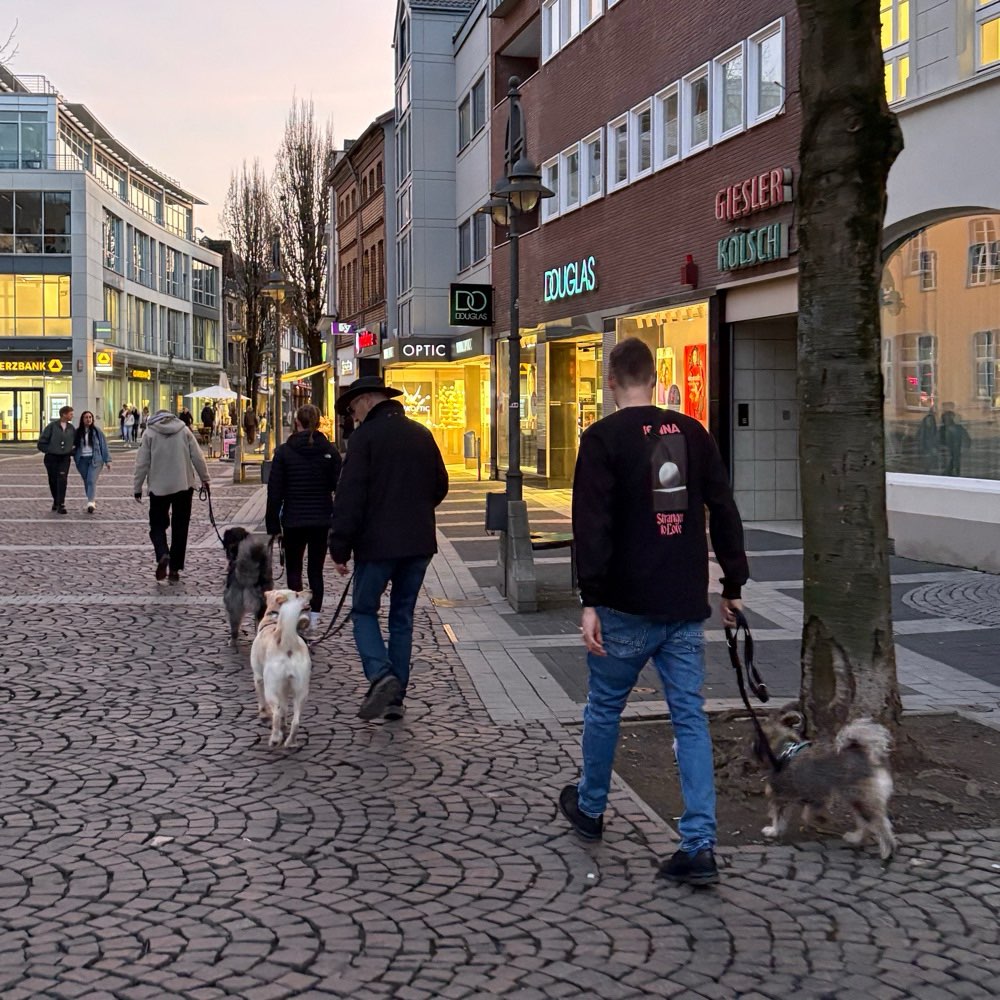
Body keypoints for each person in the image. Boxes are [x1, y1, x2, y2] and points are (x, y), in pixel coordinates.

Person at [559, 337, 749, 888]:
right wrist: (733, 584)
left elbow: (590, 525)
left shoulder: (602, 439)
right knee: (689, 716)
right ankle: (699, 843)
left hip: (624, 603)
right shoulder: (692, 433)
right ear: (655, 377)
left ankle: (591, 807)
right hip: (683, 601)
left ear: (610, 380)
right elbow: (724, 508)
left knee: (605, 707)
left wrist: (590, 599)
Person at [329, 376, 449, 721]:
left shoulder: (364, 438)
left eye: (353, 408)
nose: (353, 416)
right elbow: (440, 485)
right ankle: (395, 698)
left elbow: (350, 497)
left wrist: (339, 547)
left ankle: (381, 675)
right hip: (418, 543)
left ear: (368, 400)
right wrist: (416, 511)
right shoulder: (421, 434)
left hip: (377, 545)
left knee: (364, 611)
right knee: (402, 617)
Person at [265, 404, 343, 630]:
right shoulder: (330, 451)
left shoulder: (284, 452)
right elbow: (339, 486)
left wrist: (273, 525)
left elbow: (275, 491)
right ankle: (314, 620)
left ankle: (297, 616)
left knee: (294, 571)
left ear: (296, 422)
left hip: (293, 520)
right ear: (318, 423)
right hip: (321, 519)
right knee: (316, 572)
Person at [134, 409, 211, 583]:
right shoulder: (184, 430)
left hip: (158, 488)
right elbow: (198, 456)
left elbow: (142, 462)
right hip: (183, 485)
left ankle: (162, 553)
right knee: (180, 527)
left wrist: (137, 487)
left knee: (157, 525)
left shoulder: (150, 433)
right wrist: (205, 478)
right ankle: (175, 569)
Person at [37, 404, 76, 514]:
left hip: (64, 458)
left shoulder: (71, 428)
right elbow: (41, 442)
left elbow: (76, 442)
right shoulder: (52, 426)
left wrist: (72, 451)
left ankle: (61, 504)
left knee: (62, 479)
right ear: (64, 414)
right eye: (70, 414)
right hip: (52, 458)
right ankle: (56, 500)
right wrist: (49, 450)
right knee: (53, 480)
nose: (72, 416)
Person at [73, 411, 112, 513]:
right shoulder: (77, 432)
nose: (88, 419)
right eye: (86, 417)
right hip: (81, 460)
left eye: (90, 417)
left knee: (91, 480)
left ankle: (90, 502)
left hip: (95, 460)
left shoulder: (97, 431)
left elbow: (104, 445)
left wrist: (107, 460)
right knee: (87, 480)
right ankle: (91, 500)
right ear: (82, 419)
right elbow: (73, 446)